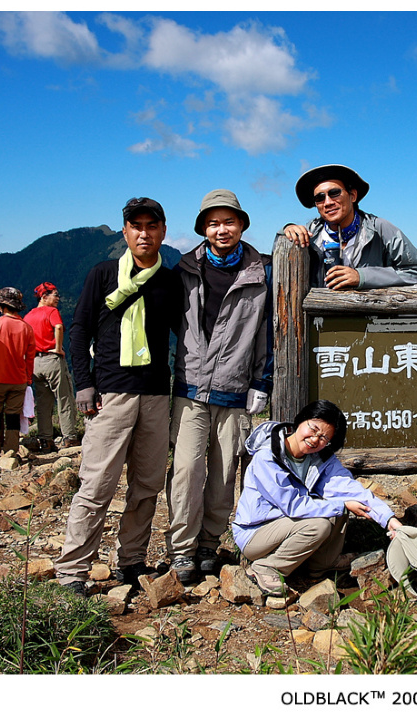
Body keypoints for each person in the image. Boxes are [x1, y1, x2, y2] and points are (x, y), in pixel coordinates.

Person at [55, 197, 182, 596]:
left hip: (157, 394)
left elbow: (185, 333)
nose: (144, 233)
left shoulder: (171, 279)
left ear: (163, 230)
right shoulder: (104, 273)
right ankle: (73, 570)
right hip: (110, 393)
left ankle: (131, 561)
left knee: (146, 487)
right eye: (136, 226)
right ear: (125, 231)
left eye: (151, 225)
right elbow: (79, 330)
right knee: (97, 486)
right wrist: (84, 382)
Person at [165, 189, 273, 585]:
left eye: (229, 221)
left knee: (224, 474)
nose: (221, 229)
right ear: (203, 229)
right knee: (187, 471)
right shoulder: (184, 270)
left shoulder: (261, 273)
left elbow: (267, 332)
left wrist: (262, 380)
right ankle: (182, 549)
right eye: (213, 222)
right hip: (190, 388)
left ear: (242, 225)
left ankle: (209, 544)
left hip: (236, 389)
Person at [232, 400, 402, 597]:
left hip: (289, 527)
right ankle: (268, 567)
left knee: (340, 502)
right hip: (256, 534)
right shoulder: (267, 458)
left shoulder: (320, 459)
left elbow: (350, 490)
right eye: (313, 429)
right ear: (300, 421)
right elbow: (293, 506)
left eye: (324, 438)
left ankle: (323, 564)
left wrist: (389, 520)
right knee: (324, 519)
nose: (315, 439)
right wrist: (341, 505)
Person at [281, 164, 417, 290]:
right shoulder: (309, 234)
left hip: (369, 322)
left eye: (334, 193)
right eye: (319, 198)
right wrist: (285, 231)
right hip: (319, 323)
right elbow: (279, 264)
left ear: (352, 196)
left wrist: (362, 277)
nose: (327, 202)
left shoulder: (379, 229)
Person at [0, 287, 36, 458]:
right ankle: (11, 451)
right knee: (12, 417)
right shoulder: (26, 327)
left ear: (2, 306)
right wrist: (28, 379)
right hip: (18, 380)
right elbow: (30, 358)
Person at [24, 282, 78, 452]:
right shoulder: (52, 312)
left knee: (43, 402)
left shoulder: (28, 316)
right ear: (44, 296)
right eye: (54, 294)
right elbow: (59, 326)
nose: (58, 298)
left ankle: (45, 439)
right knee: (64, 398)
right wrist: (58, 347)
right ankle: (69, 436)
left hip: (35, 363)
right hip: (52, 359)